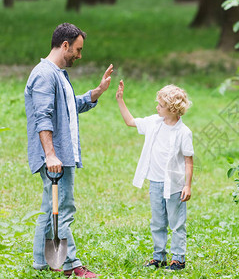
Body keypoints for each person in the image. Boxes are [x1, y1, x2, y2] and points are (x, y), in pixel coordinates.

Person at [24, 23, 114, 278]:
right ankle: (71, 265)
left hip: (61, 154)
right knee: (64, 209)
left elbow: (68, 106)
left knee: (49, 207)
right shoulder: (44, 75)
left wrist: (96, 93)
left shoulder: (58, 74)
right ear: (64, 45)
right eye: (77, 49)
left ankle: (41, 262)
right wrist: (51, 155)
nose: (79, 55)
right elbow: (43, 117)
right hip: (55, 156)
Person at [116, 80, 194, 271]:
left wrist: (187, 185)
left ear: (172, 109)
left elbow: (188, 160)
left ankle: (178, 259)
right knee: (157, 222)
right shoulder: (153, 122)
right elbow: (130, 121)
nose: (156, 107)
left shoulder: (184, 132)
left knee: (177, 223)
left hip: (175, 186)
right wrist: (120, 100)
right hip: (156, 183)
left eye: (160, 105)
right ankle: (159, 257)